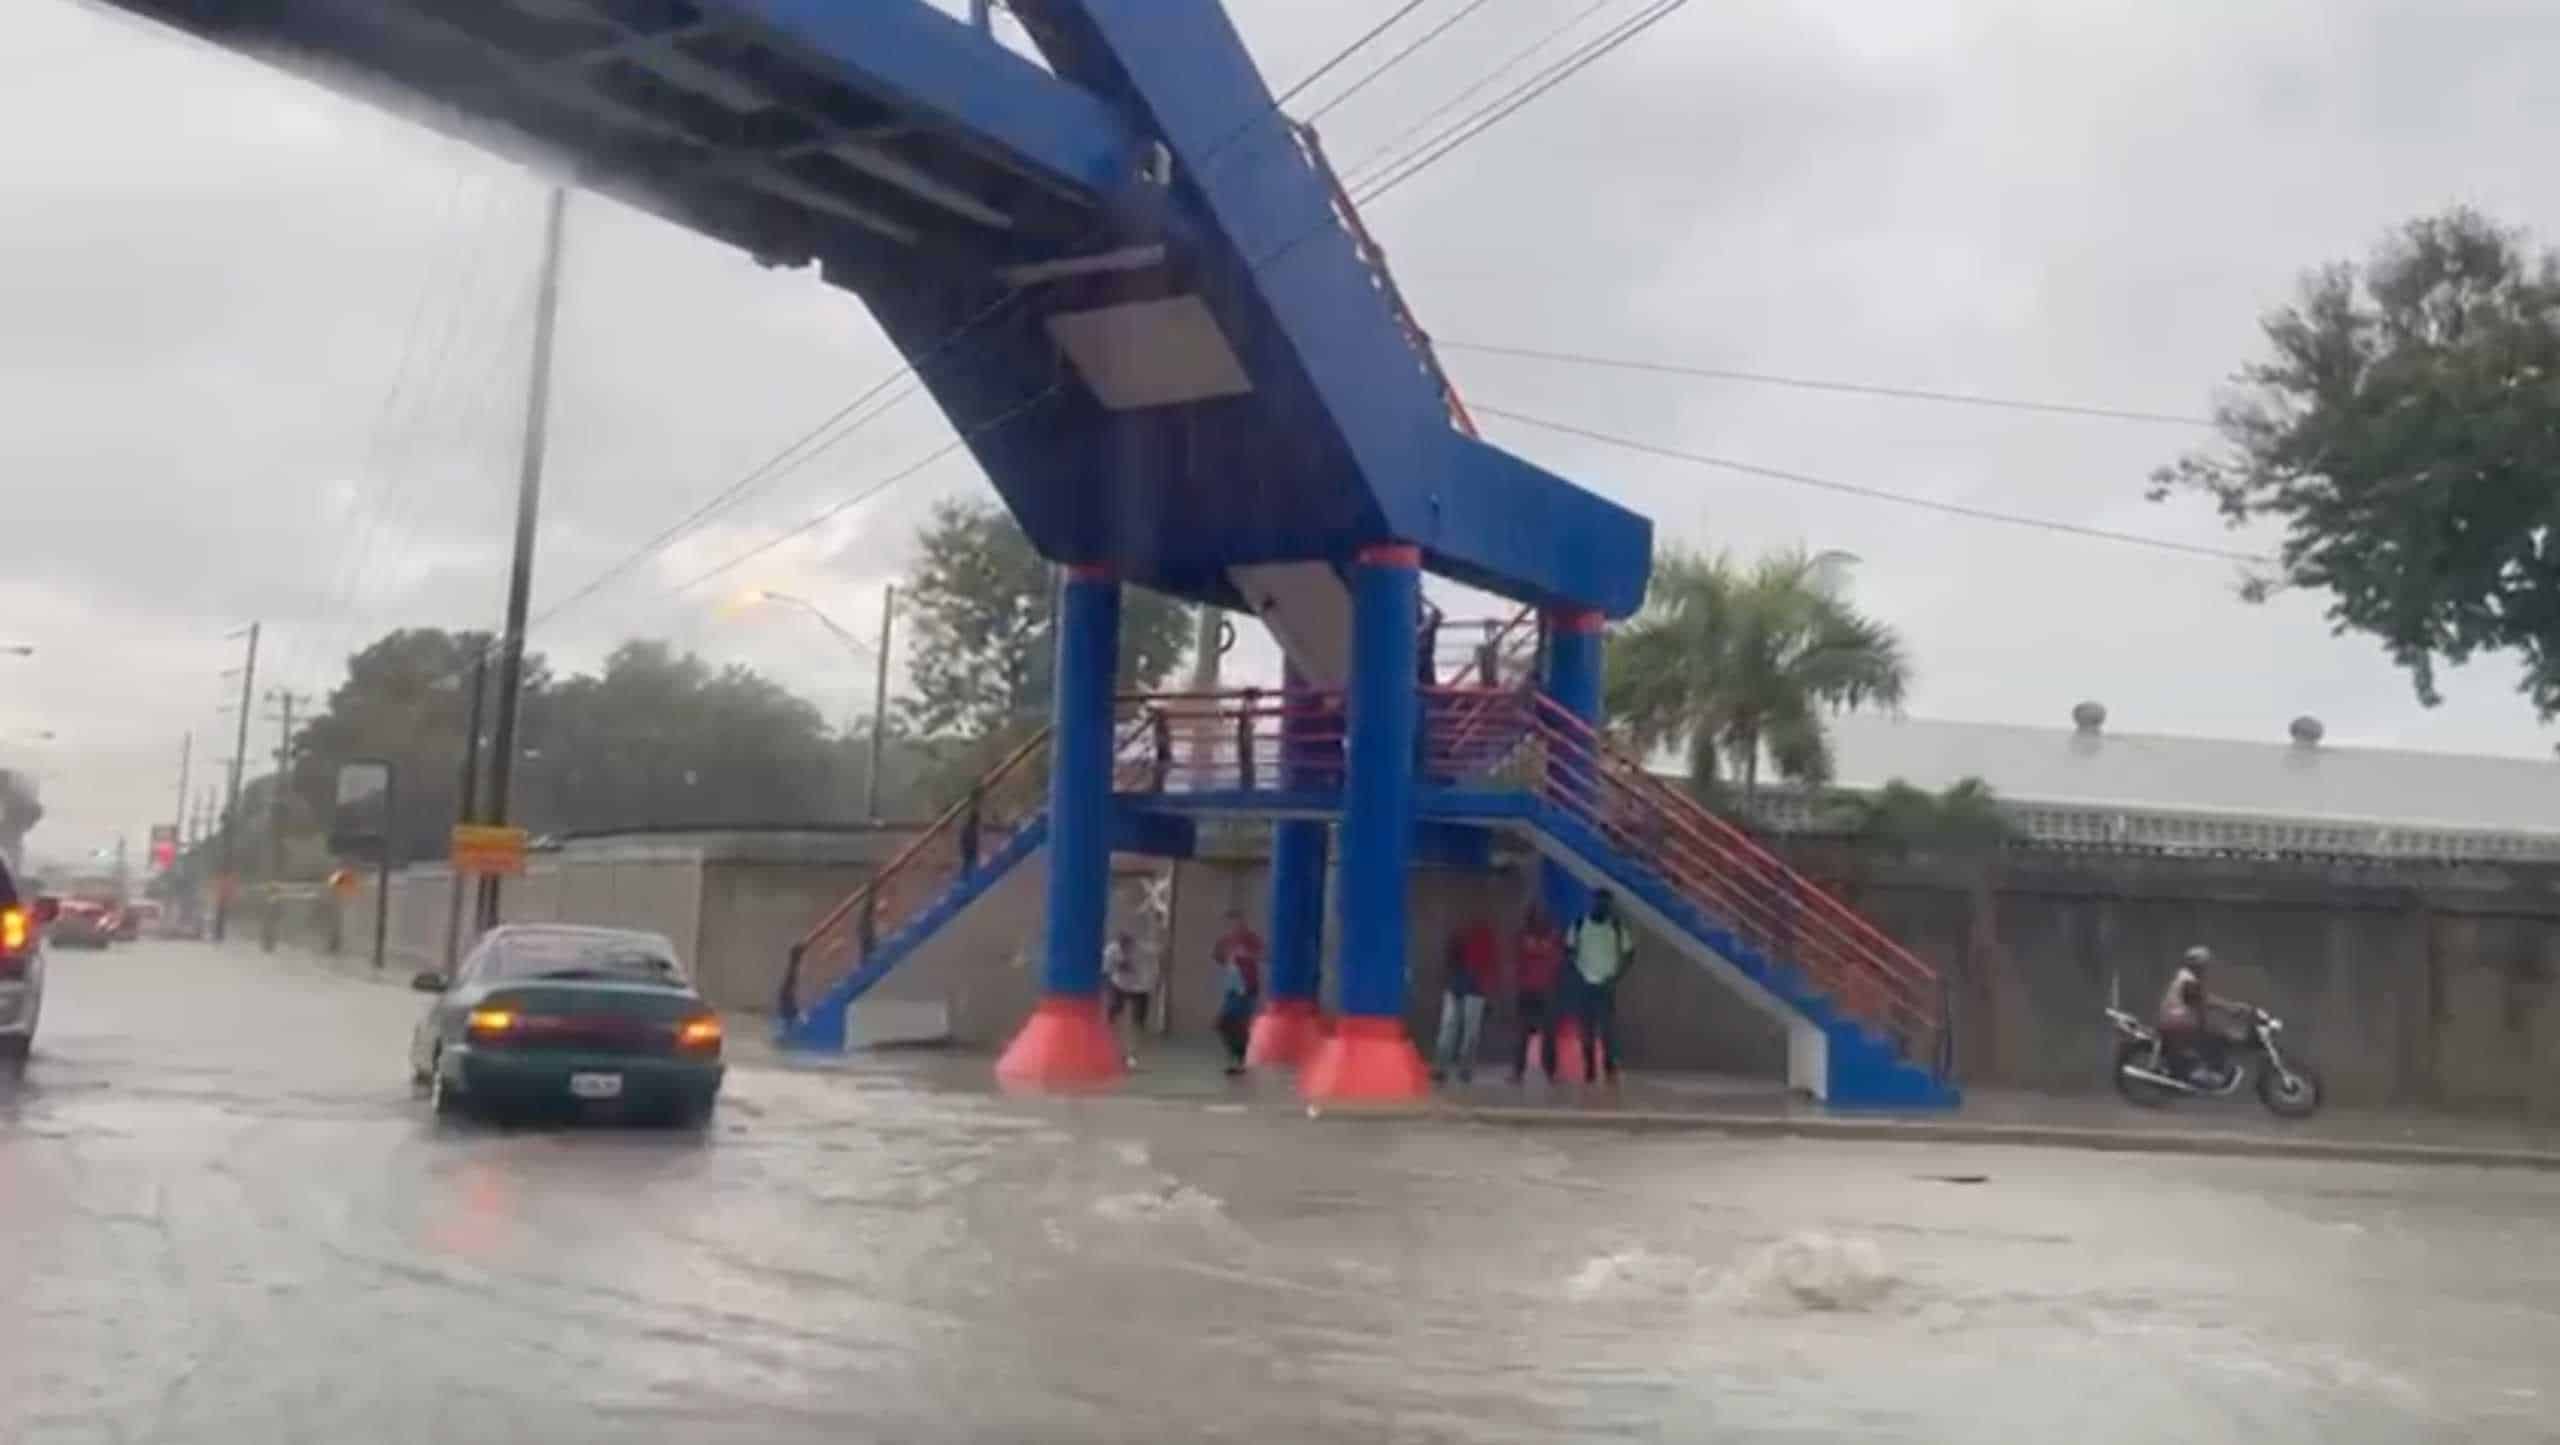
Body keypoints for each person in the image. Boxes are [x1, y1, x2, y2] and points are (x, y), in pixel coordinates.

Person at [1567, 889, 1634, 1084]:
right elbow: (1569, 951)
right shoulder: (1579, 925)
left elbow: (1629, 954)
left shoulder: (1616, 927)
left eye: (1606, 903)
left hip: (1606, 985)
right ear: (1592, 902)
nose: (1602, 906)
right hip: (1585, 985)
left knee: (1608, 1029)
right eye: (1599, 901)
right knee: (1586, 1028)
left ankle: (1609, 1066)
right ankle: (1589, 1068)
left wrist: (1617, 976)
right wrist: (1578, 974)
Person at [1433, 911, 1498, 1083]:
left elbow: (1451, 960)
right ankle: (1461, 1069)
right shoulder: (1481, 937)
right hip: (1471, 988)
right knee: (1467, 1031)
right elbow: (1489, 966)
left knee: (1451, 1029)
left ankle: (1445, 1068)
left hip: (1463, 986)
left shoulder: (1468, 935)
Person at [2158, 944, 2239, 1080]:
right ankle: (2205, 1073)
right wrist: (2229, 1008)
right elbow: (2203, 1001)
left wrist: (2228, 1007)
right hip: (2176, 1020)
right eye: (2205, 964)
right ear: (2198, 964)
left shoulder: (2185, 977)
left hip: (2174, 1019)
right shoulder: (2188, 980)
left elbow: (2202, 1000)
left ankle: (2202, 1069)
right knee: (2218, 1037)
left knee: (2210, 1032)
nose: (2207, 968)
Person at [1510, 903, 1563, 1083]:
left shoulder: (1550, 937)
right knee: (1523, 1034)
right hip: (1530, 990)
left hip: (1543, 990)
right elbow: (1518, 961)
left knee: (1546, 1034)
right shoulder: (1525, 936)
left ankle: (1549, 1072)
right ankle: (1520, 1071)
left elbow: (1556, 961)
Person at [1210, 910, 1264, 1075]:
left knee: (1238, 1023)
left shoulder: (1250, 939)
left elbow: (1264, 954)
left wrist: (1248, 955)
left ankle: (1239, 1059)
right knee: (1226, 1023)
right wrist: (1226, 958)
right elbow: (1217, 956)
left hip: (1247, 987)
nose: (1233, 927)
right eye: (1230, 924)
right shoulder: (1226, 941)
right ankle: (1236, 1056)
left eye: (1236, 923)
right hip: (1232, 986)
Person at [1103, 929, 1157, 1066]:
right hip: (1119, 985)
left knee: (1138, 1022)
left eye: (1127, 945)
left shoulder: (1141, 951)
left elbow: (1155, 952)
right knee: (1113, 1017)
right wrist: (1109, 989)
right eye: (1122, 944)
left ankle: (1132, 1054)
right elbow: (1106, 972)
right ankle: (1115, 1050)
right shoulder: (1111, 950)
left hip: (1140, 987)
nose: (1124, 948)